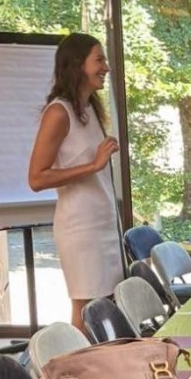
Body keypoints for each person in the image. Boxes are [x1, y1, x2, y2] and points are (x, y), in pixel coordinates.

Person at [28, 33, 124, 331]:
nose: (106, 67)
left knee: (106, 304)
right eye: (99, 59)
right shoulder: (58, 112)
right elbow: (36, 177)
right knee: (86, 308)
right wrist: (93, 164)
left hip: (103, 224)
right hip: (79, 229)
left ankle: (103, 369)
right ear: (77, 65)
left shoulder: (91, 108)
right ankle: (78, 375)